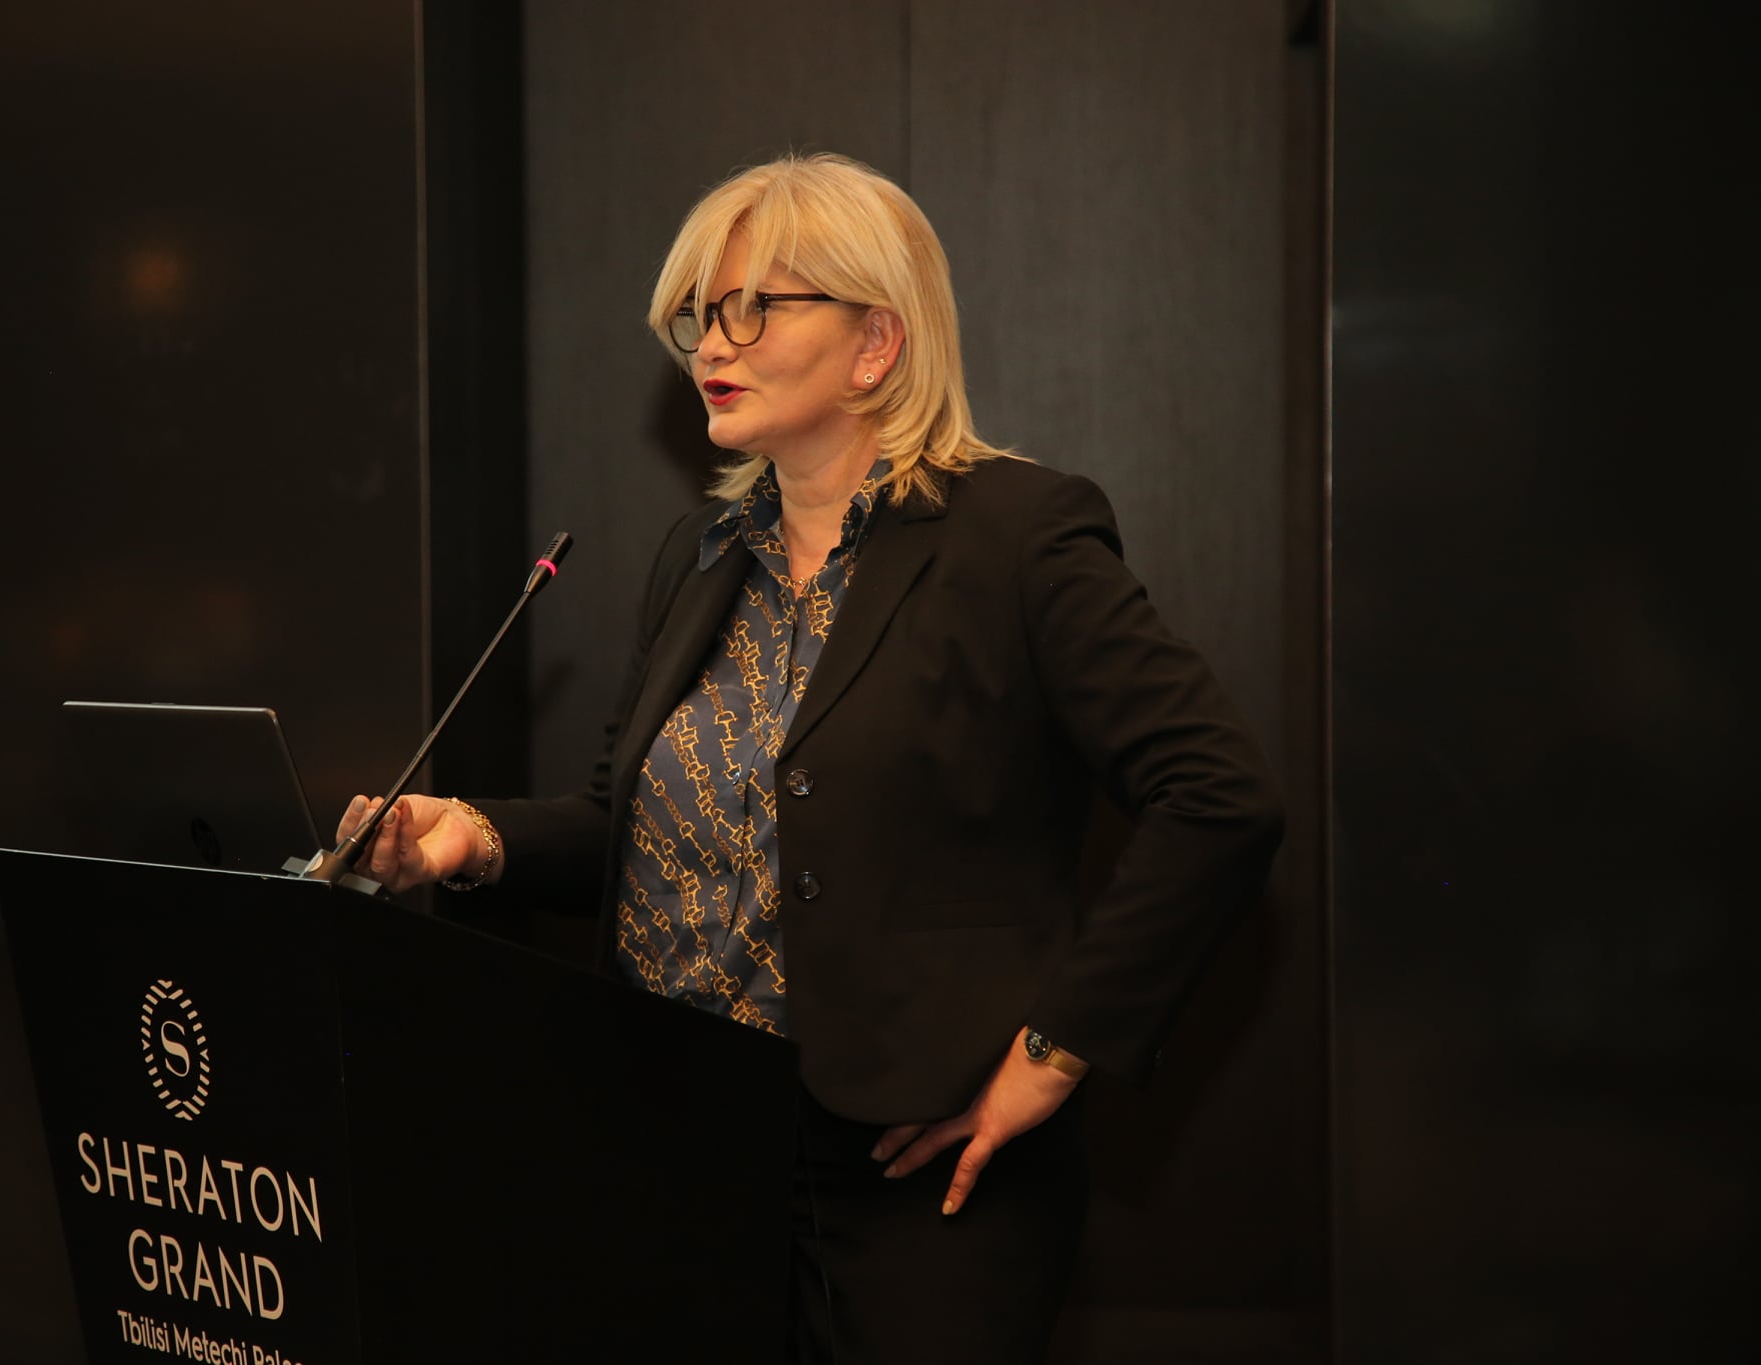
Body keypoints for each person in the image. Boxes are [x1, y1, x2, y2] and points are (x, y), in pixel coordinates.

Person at [337, 152, 1283, 1363]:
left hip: (915, 1171)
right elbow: (633, 827)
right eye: (697, 314)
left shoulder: (1015, 538)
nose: (708, 345)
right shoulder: (700, 554)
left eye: (751, 308)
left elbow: (1216, 796)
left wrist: (1054, 1054)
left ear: (875, 342)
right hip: (686, 1148)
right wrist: (470, 838)